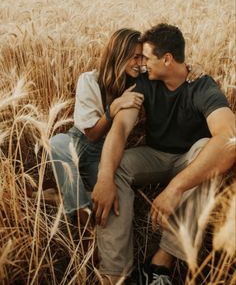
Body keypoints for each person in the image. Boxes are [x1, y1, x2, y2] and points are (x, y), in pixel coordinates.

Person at [91, 23, 235, 285]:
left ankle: (160, 264)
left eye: (146, 57)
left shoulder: (202, 87)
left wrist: (176, 188)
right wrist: (104, 176)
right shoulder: (144, 82)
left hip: (190, 160)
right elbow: (121, 129)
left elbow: (230, 140)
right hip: (155, 156)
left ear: (167, 59)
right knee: (117, 167)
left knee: (207, 149)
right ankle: (115, 273)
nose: (142, 64)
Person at [50, 28, 144, 225]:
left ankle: (59, 196)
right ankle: (82, 218)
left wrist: (191, 69)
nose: (140, 63)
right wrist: (114, 108)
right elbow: (91, 135)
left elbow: (169, 73)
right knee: (56, 143)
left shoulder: (139, 83)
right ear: (120, 54)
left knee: (111, 198)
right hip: (78, 142)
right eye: (135, 57)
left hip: (105, 154)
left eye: (143, 57)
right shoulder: (90, 80)